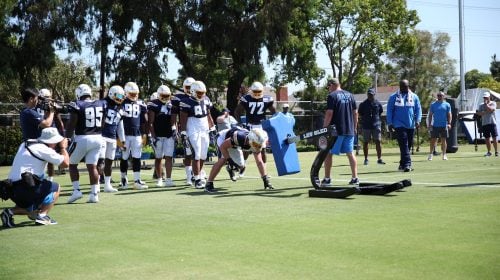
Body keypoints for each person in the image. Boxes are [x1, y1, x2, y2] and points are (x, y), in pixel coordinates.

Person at [1, 127, 69, 227]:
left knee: (31, 209)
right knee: (56, 187)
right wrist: (63, 148)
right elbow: (65, 163)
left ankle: (9, 212)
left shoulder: (25, 143)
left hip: (11, 189)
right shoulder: (44, 149)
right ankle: (42, 216)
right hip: (25, 188)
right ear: (51, 141)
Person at [66, 84, 107, 203]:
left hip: (83, 137)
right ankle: (94, 194)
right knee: (92, 166)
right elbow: (103, 122)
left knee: (72, 164)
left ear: (79, 94)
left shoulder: (77, 105)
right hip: (98, 137)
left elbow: (72, 124)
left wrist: (67, 138)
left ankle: (76, 191)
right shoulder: (101, 103)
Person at [204, 127, 272, 193]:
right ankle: (209, 184)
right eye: (256, 143)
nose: (257, 146)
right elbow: (223, 147)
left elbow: (259, 162)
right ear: (250, 139)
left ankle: (230, 168)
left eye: (259, 144)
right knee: (223, 160)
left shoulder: (256, 142)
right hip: (222, 138)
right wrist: (229, 160)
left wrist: (265, 179)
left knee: (241, 166)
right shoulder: (239, 137)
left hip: (235, 145)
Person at [320, 78, 359, 186]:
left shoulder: (332, 96)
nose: (328, 89)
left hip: (336, 131)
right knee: (350, 154)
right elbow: (355, 113)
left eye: (328, 87)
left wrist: (324, 128)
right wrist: (355, 127)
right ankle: (355, 178)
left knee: (328, 153)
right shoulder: (350, 95)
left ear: (332, 85)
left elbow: (329, 113)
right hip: (350, 130)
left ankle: (327, 179)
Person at [179, 80, 216, 189]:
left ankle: (197, 175)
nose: (201, 95)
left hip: (204, 128)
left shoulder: (206, 100)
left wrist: (212, 127)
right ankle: (197, 178)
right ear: (193, 91)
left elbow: (208, 114)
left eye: (202, 93)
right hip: (193, 129)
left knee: (204, 155)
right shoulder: (186, 101)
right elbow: (183, 118)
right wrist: (184, 132)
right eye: (199, 93)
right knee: (196, 153)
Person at [234, 81, 276, 171]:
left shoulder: (267, 99)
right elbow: (237, 112)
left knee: (263, 149)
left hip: (261, 126)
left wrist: (274, 121)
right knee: (247, 149)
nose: (257, 94)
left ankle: (264, 170)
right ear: (251, 91)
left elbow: (274, 113)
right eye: (255, 92)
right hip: (250, 126)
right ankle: (242, 166)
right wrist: (240, 123)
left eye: (258, 92)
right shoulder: (246, 98)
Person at [386, 79, 422, 172]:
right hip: (398, 124)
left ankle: (402, 164)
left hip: (411, 124)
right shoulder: (393, 97)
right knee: (404, 144)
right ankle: (407, 164)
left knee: (408, 145)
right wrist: (390, 123)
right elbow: (389, 111)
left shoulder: (414, 96)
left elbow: (418, 110)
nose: (403, 88)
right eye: (402, 86)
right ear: (399, 86)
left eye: (405, 86)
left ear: (408, 86)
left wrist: (418, 120)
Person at [119, 82, 149, 190]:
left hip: (137, 134)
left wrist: (146, 134)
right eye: (131, 93)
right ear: (126, 93)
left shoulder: (141, 103)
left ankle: (137, 180)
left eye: (135, 93)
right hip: (124, 134)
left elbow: (145, 121)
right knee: (124, 157)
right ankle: (123, 179)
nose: (134, 95)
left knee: (137, 157)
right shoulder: (121, 101)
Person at [147, 85, 176, 187]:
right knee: (158, 157)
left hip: (168, 135)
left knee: (169, 157)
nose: (165, 97)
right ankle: (159, 179)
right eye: (163, 95)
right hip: (158, 135)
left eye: (167, 95)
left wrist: (174, 130)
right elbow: (150, 122)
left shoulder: (171, 104)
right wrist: (153, 136)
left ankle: (168, 179)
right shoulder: (153, 104)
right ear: (159, 95)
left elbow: (173, 120)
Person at [100, 85, 126, 192]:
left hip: (112, 137)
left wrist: (123, 140)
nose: (120, 98)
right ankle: (96, 184)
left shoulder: (119, 107)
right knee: (100, 162)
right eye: (118, 96)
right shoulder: (103, 104)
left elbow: (120, 126)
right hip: (101, 136)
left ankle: (107, 185)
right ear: (111, 94)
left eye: (121, 96)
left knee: (109, 161)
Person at [171, 77, 196, 185]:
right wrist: (174, 127)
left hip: (198, 128)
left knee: (199, 152)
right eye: (187, 87)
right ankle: (189, 176)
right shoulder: (178, 98)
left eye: (191, 87)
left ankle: (197, 173)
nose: (189, 89)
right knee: (188, 153)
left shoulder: (199, 96)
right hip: (185, 128)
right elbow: (174, 113)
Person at [358, 88, 385, 165]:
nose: (370, 96)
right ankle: (366, 159)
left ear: (374, 95)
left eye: (371, 94)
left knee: (378, 141)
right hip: (366, 125)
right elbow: (360, 113)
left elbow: (380, 112)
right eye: (369, 94)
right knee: (366, 142)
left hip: (376, 125)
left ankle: (379, 159)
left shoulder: (378, 103)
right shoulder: (363, 104)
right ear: (367, 95)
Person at [427, 91, 452, 160]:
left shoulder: (447, 104)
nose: (439, 97)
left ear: (443, 96)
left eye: (441, 95)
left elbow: (449, 114)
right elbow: (430, 115)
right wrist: (429, 124)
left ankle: (444, 155)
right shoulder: (433, 104)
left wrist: (449, 123)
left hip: (444, 125)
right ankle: (430, 154)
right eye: (438, 95)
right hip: (435, 125)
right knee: (433, 140)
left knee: (444, 140)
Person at [476, 91, 498, 157]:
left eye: (486, 97)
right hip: (484, 123)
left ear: (489, 97)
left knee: (494, 138)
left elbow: (491, 110)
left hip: (492, 123)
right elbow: (478, 113)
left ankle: (496, 151)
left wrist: (486, 106)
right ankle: (489, 152)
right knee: (487, 138)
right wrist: (485, 111)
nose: (485, 98)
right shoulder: (481, 105)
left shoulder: (493, 103)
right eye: (484, 97)